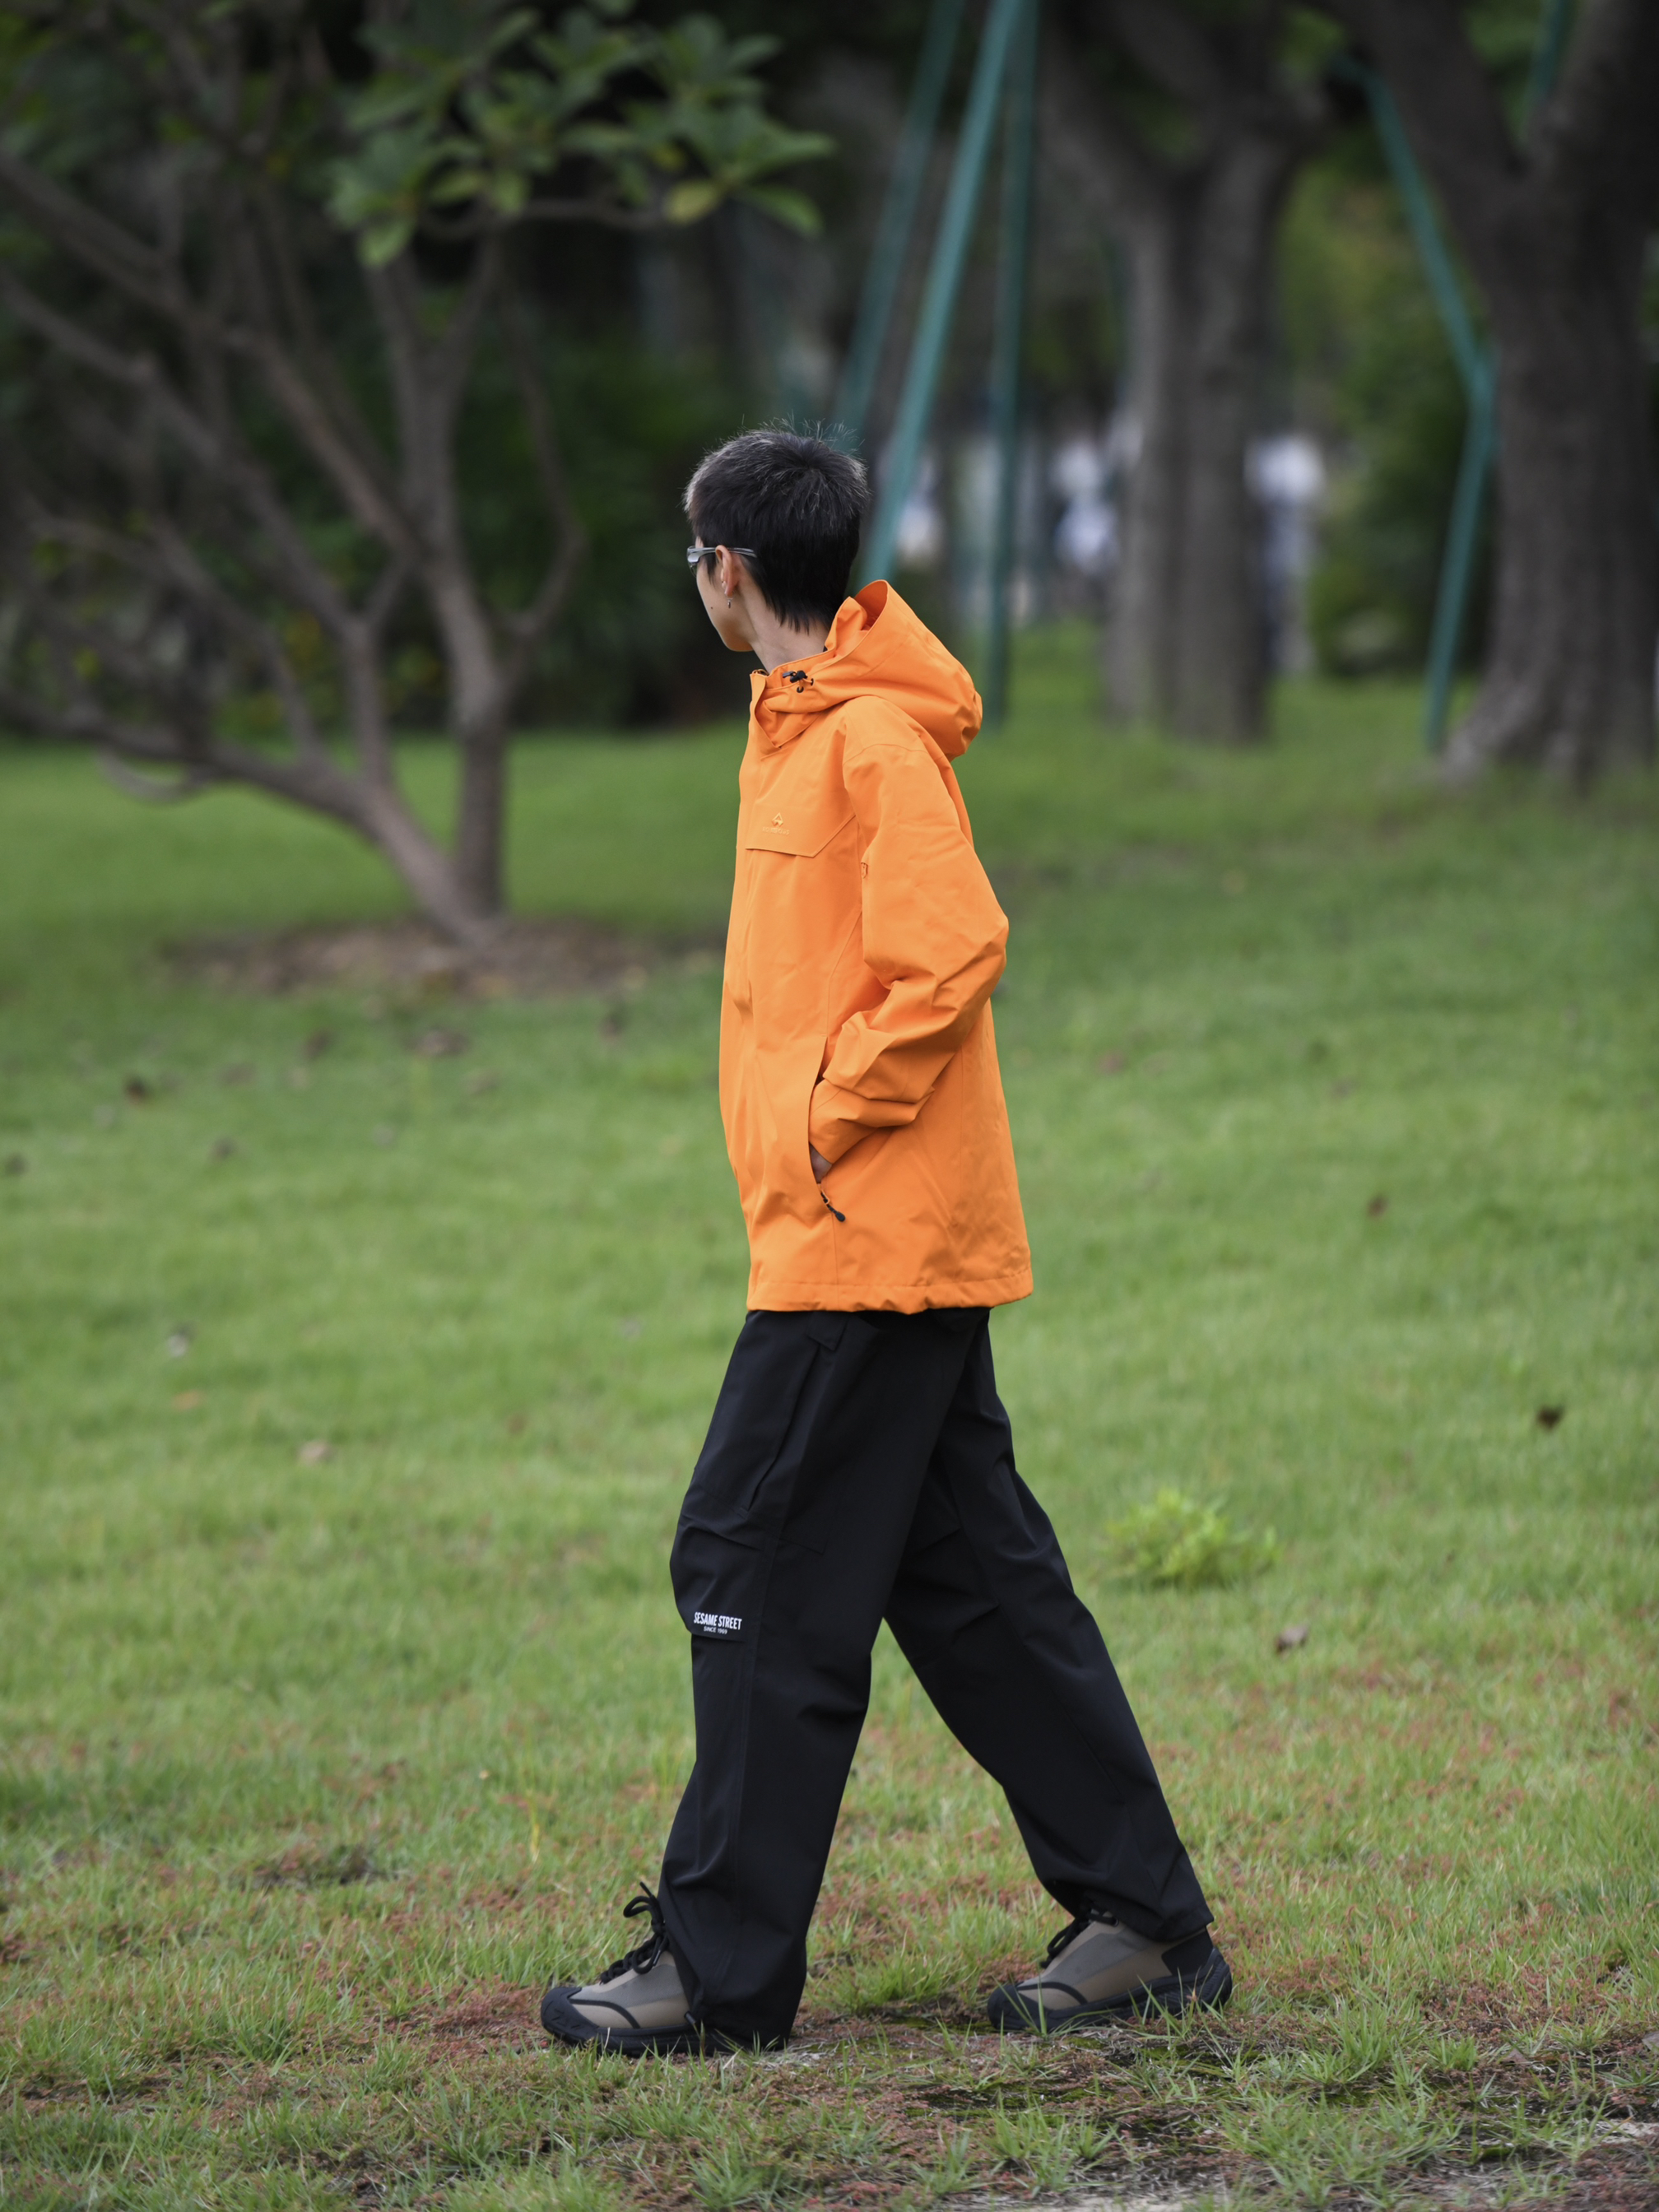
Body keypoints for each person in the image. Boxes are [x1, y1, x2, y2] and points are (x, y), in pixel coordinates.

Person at [540, 430, 1229, 2055]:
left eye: (694, 558)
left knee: (747, 1560)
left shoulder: (870, 741)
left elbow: (953, 947)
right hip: (855, 1234)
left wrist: (824, 1117)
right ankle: (1145, 1923)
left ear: (729, 571)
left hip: (867, 1240)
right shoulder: (799, 722)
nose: (696, 583)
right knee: (977, 1591)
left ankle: (718, 1973)